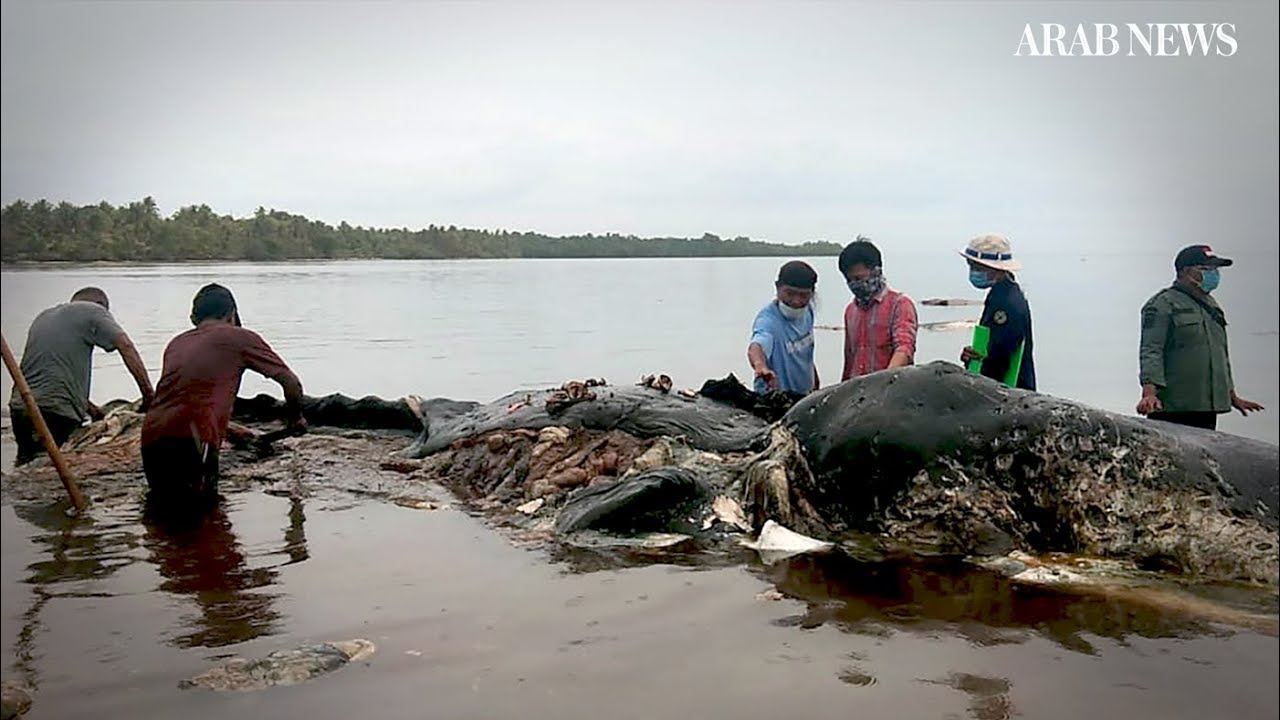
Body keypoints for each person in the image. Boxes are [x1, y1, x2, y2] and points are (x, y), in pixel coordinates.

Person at [140, 283, 305, 513]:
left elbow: (185, 397)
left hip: (151, 438)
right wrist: (295, 418)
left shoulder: (176, 343)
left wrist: (231, 430)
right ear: (232, 313)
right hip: (195, 437)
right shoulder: (240, 337)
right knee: (205, 521)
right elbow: (291, 383)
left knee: (164, 516)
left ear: (193, 317)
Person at [7, 287, 154, 465]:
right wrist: (149, 396)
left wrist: (91, 409)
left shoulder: (44, 316)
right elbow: (126, 346)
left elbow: (51, 373)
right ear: (101, 305)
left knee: (26, 464)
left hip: (20, 407)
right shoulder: (94, 310)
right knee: (55, 471)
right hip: (55, 412)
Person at [1135, 244, 1264, 431]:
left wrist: (1231, 396)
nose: (1214, 274)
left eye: (1215, 269)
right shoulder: (1162, 304)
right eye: (1206, 269)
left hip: (1207, 406)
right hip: (1173, 407)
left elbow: (1219, 354)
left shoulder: (1212, 305)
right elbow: (1151, 350)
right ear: (1186, 271)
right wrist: (1149, 394)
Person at [958, 234, 1037, 391]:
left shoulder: (1007, 303)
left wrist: (978, 372)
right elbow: (991, 346)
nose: (973, 271)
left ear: (994, 268)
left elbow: (1000, 358)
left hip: (1010, 393)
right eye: (970, 264)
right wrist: (972, 357)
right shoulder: (1001, 293)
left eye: (977, 266)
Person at [838, 236, 918, 380]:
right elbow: (849, 358)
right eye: (849, 280)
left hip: (891, 389)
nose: (854, 284)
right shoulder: (851, 311)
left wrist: (882, 382)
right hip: (857, 393)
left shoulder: (900, 305)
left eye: (858, 278)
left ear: (876, 271)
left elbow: (904, 349)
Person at [748, 260, 820, 396]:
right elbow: (756, 346)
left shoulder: (808, 311)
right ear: (777, 288)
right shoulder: (768, 321)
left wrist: (815, 381)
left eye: (803, 295)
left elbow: (806, 352)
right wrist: (760, 366)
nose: (796, 301)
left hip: (804, 395)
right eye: (790, 293)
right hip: (775, 398)